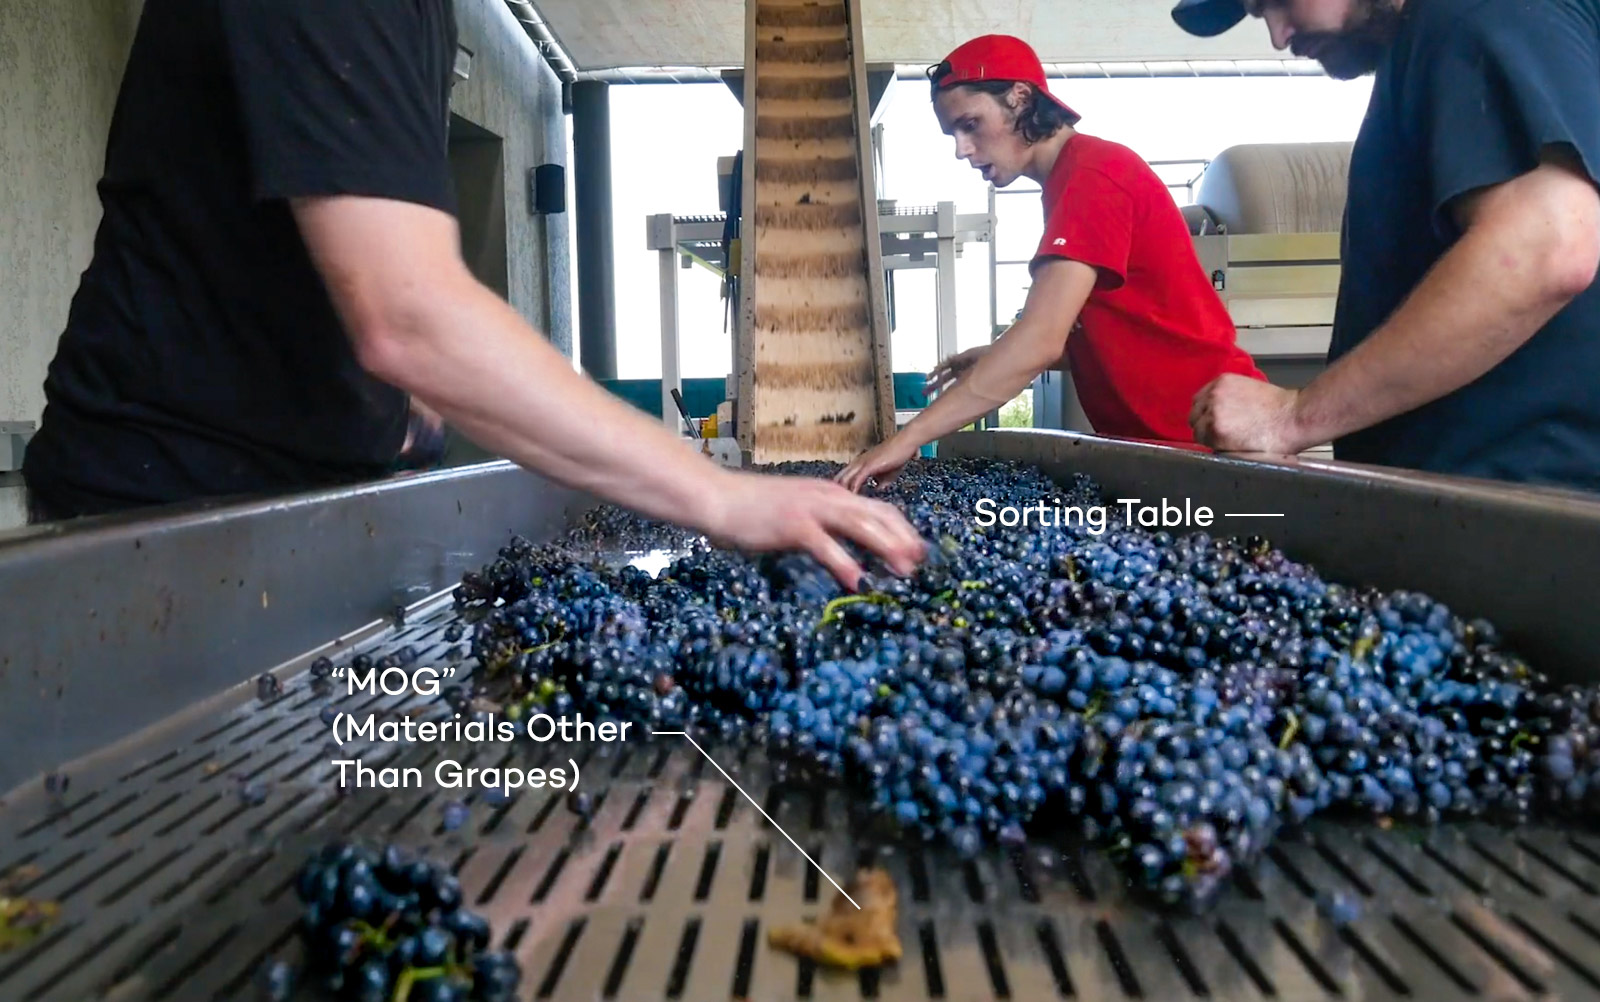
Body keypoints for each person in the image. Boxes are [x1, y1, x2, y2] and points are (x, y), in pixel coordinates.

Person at [19, 0, 925, 589]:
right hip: (167, 523)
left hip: (289, 497)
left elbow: (320, 241)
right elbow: (408, 314)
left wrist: (391, 399)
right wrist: (723, 498)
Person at [1172, 0, 1600, 492]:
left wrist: (1294, 416)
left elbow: (1545, 248)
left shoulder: (1471, 15)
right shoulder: (1432, 43)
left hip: (1529, 521)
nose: (1277, 34)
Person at [837, 34, 1265, 492]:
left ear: (1020, 99)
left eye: (971, 125)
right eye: (953, 135)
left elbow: (1039, 339)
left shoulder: (1094, 175)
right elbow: (1110, 332)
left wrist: (907, 440)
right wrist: (993, 359)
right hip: (1167, 448)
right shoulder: (1069, 180)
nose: (962, 149)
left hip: (1210, 444)